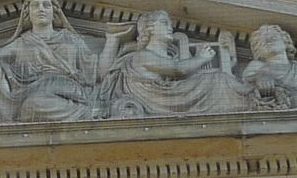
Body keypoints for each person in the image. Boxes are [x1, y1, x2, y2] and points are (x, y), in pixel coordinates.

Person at [0, 0, 123, 124]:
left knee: (33, 106)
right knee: (31, 104)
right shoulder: (22, 42)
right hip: (32, 94)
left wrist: (112, 40)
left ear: (54, 11)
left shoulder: (71, 39)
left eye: (46, 5)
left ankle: (86, 112)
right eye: (35, 5)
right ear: (27, 13)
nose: (41, 9)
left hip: (66, 92)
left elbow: (98, 73)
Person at [106, 10, 250, 117]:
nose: (170, 27)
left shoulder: (171, 55)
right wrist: (201, 58)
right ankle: (250, 95)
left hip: (172, 94)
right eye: (164, 23)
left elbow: (192, 74)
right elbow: (178, 70)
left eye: (170, 24)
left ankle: (248, 95)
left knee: (219, 77)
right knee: (218, 78)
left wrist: (229, 59)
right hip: (162, 100)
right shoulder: (142, 56)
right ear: (149, 29)